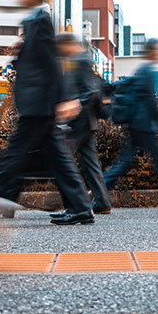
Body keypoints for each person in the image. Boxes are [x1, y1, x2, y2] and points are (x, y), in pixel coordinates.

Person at [0, 0, 94, 225]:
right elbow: (38, 59)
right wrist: (19, 54)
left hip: (38, 103)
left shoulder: (41, 20)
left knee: (14, 155)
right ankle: (80, 207)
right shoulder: (35, 20)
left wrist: (65, 98)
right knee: (58, 158)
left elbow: (49, 63)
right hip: (40, 102)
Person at [104, 39, 158, 209]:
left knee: (126, 161)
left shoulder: (142, 70)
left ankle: (101, 188)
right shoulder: (148, 71)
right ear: (152, 51)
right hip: (144, 125)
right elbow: (151, 102)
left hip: (136, 123)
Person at [49, 33, 111, 219]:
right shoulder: (75, 59)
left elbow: (90, 90)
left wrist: (74, 107)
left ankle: (76, 206)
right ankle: (101, 202)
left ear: (67, 44)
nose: (59, 52)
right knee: (90, 163)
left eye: (60, 48)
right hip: (83, 120)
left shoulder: (80, 59)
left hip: (79, 120)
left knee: (64, 162)